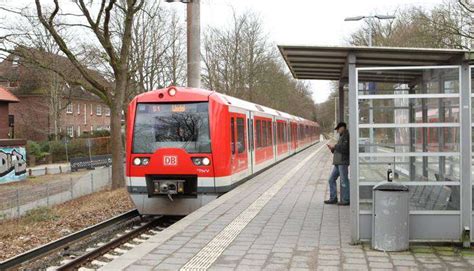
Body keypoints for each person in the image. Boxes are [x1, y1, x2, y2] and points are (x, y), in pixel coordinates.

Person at [324, 122, 350, 206]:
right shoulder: (342, 136)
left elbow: (345, 149)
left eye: (338, 129)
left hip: (343, 162)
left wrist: (335, 147)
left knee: (344, 181)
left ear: (342, 127)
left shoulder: (346, 136)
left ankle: (346, 200)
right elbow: (339, 149)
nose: (337, 131)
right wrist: (332, 149)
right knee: (331, 179)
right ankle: (333, 198)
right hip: (338, 163)